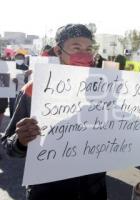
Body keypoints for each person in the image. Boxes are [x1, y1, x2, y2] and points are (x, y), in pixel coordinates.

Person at [1, 24, 107, 200]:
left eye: (88, 49)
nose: (84, 54)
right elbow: (9, 146)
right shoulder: (34, 89)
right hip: (48, 190)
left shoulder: (103, 88)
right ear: (58, 51)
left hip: (93, 189)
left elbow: (118, 128)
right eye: (76, 48)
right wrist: (21, 141)